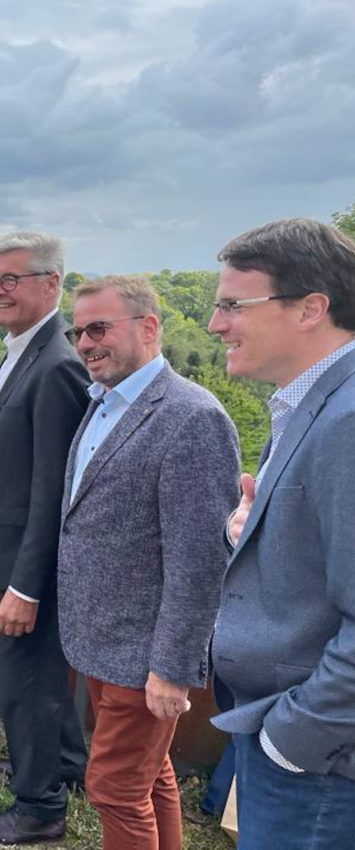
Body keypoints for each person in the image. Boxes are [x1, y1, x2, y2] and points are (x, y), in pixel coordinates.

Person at [58, 275, 239, 848]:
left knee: (113, 788)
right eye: (78, 331)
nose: (85, 342)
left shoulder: (192, 418)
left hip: (145, 656)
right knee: (147, 777)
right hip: (100, 640)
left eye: (99, 328)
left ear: (149, 327)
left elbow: (200, 561)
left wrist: (173, 668)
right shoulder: (103, 402)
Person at [208, 218, 355, 848]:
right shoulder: (314, 403)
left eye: (233, 305)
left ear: (310, 309)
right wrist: (251, 532)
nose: (215, 324)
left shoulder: (347, 420)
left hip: (318, 761)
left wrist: (292, 739)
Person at [0, 231, 89, 845]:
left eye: (10, 279)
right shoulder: (25, 349)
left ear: (51, 283)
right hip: (16, 557)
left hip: (30, 568)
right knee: (41, 679)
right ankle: (64, 767)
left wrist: (26, 586)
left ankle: (39, 807)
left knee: (28, 686)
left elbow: (53, 494)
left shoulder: (58, 363)